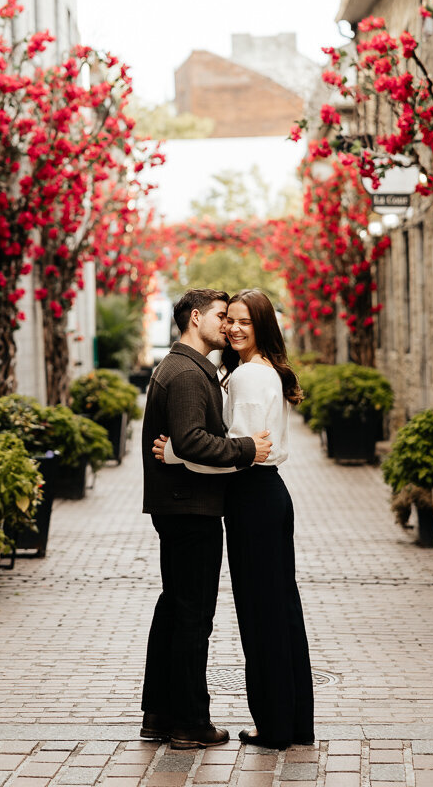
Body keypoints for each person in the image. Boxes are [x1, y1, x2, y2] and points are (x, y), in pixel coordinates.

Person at [155, 288, 314, 750]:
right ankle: (291, 721)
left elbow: (238, 454)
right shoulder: (263, 371)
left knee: (261, 612)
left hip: (253, 496)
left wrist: (177, 456)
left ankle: (274, 724)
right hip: (267, 495)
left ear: (263, 325)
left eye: (245, 321)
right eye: (231, 321)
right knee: (279, 607)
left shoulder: (248, 378)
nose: (235, 328)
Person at [140, 288, 272, 751]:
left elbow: (184, 442)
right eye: (221, 315)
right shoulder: (187, 373)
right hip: (189, 506)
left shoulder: (183, 368)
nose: (228, 324)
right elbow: (194, 440)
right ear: (195, 318)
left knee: (174, 609)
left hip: (179, 504)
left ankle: (158, 713)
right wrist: (246, 449)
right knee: (194, 618)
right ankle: (190, 723)